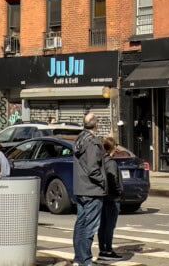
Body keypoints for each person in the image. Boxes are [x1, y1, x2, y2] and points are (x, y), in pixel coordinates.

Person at [72, 113, 106, 266]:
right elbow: (93, 169)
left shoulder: (79, 139)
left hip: (81, 188)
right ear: (96, 124)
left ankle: (79, 258)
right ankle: (85, 259)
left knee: (81, 224)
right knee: (90, 226)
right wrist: (103, 181)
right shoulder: (92, 142)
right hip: (92, 189)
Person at [97, 136, 124, 262]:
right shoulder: (111, 163)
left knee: (102, 225)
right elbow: (113, 180)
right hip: (112, 198)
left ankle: (103, 249)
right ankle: (108, 250)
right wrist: (119, 191)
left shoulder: (101, 161)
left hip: (102, 197)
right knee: (109, 226)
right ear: (112, 148)